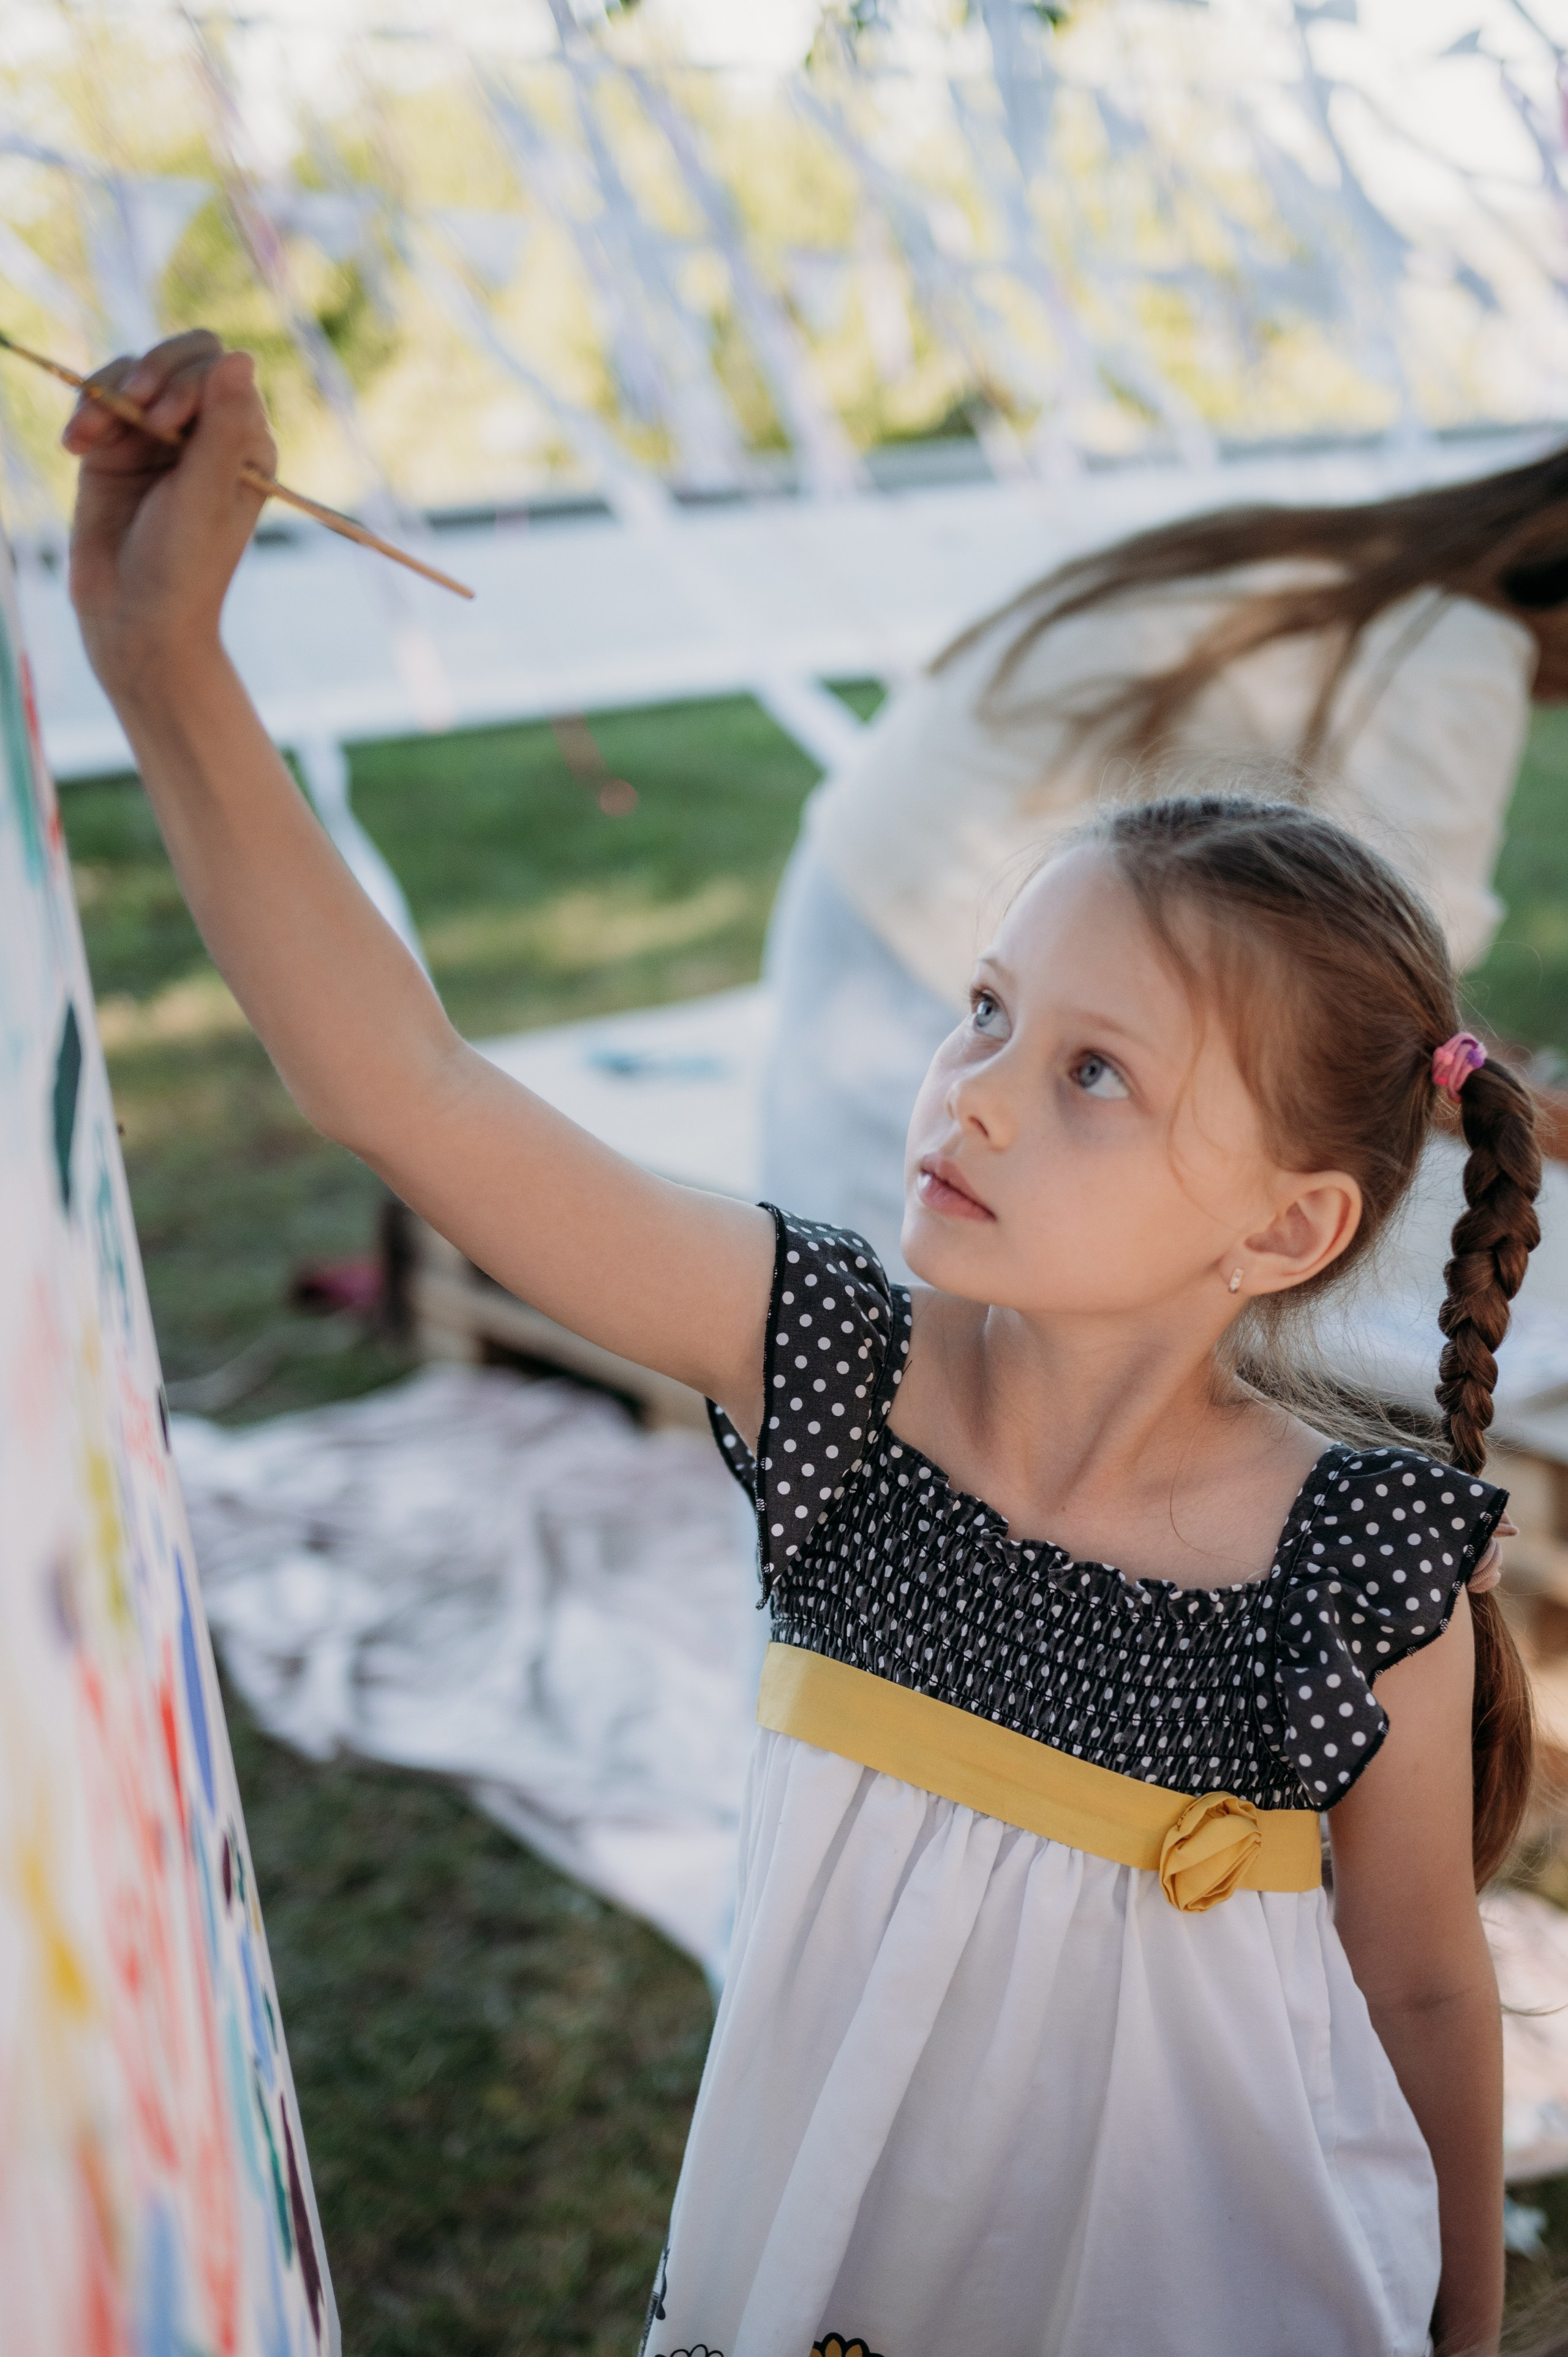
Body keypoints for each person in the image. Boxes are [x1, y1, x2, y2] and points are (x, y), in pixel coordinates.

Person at [67, 331, 1543, 2357]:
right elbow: (407, 1084)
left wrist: (1465, 2326)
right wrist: (168, 670)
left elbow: (1428, 1993)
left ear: (1288, 1225)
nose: (979, 1092)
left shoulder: (1363, 1566)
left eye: (1095, 1069)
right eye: (990, 1007)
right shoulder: (834, 1370)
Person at [764, 454, 1568, 1271]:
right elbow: (1393, 981)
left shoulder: (1360, 562)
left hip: (897, 867)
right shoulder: (1457, 648)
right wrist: (1506, 1106)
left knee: (852, 1284)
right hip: (947, 914)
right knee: (895, 1310)